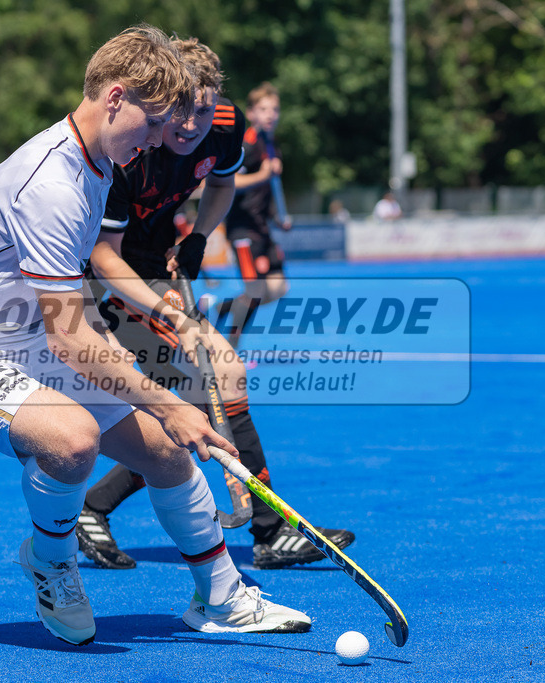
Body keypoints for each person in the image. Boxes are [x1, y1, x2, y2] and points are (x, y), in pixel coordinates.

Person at [0, 25, 311, 646]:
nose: (154, 145)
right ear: (115, 97)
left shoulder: (96, 164)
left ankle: (223, 598)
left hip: (27, 341)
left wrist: (154, 397)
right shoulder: (55, 184)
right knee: (73, 442)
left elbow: (76, 319)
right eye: (150, 127)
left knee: (165, 450)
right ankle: (52, 558)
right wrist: (169, 399)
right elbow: (70, 338)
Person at [79, 38, 355, 572]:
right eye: (178, 111)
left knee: (194, 404)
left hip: (158, 265)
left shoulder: (226, 125)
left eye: (201, 110)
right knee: (223, 375)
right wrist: (174, 315)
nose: (189, 126)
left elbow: (222, 185)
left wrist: (200, 236)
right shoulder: (133, 149)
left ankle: (95, 508)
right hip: (105, 279)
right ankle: (272, 533)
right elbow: (105, 259)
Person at [217, 82, 291, 349]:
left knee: (279, 288)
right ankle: (231, 348)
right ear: (251, 113)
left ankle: (224, 306)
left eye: (275, 109)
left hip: (262, 229)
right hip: (242, 230)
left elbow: (265, 193)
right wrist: (263, 173)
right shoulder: (246, 145)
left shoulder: (271, 145)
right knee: (255, 291)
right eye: (263, 109)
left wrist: (278, 217)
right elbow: (226, 182)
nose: (270, 114)